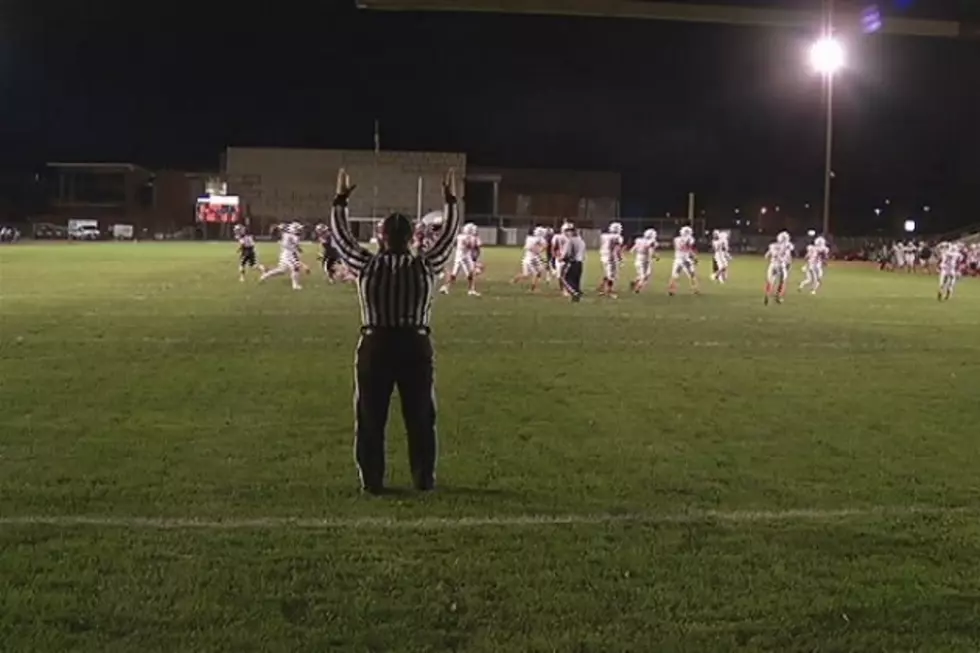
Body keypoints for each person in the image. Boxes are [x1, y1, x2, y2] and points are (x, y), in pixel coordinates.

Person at [330, 168, 459, 494]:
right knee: (420, 417)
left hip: (376, 344)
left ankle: (373, 481)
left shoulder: (368, 264)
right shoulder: (424, 266)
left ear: (382, 237)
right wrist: (451, 201)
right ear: (412, 237)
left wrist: (340, 200)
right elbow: (448, 237)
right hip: (415, 345)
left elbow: (342, 238)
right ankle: (423, 478)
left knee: (371, 417)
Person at [560, 223, 586, 302]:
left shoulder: (570, 240)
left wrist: (562, 258)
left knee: (564, 278)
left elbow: (568, 253)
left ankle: (575, 293)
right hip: (580, 263)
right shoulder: (581, 240)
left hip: (572, 262)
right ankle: (576, 298)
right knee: (576, 281)